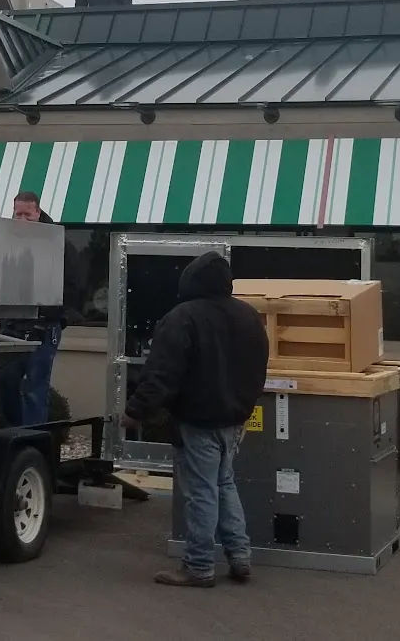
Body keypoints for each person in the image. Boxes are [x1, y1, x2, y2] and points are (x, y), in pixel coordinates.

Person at [123, 251, 268, 587]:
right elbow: (259, 367)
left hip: (198, 421)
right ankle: (240, 556)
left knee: (201, 491)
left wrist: (135, 412)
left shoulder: (182, 317)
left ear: (190, 281)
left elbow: (161, 373)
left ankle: (199, 566)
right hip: (234, 420)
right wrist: (245, 407)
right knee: (224, 484)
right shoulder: (249, 315)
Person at [0, 191, 85, 427]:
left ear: (38, 212)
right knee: (6, 381)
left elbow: (73, 286)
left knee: (35, 386)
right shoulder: (7, 240)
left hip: (44, 324)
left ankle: (32, 438)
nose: (22, 220)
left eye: (27, 214)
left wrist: (58, 316)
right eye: (18, 215)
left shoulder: (59, 243)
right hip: (12, 324)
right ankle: (16, 433)